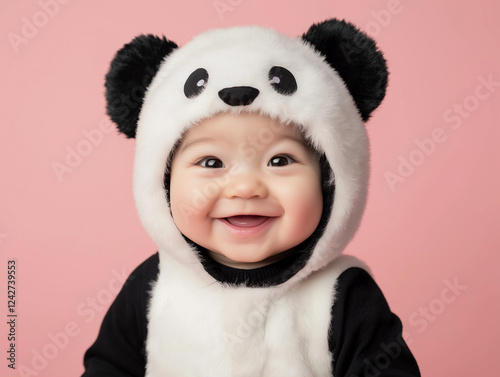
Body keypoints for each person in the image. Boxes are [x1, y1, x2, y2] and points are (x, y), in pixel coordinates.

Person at [82, 19, 420, 376]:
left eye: (280, 160)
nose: (245, 188)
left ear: (329, 180)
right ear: (163, 184)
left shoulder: (345, 296)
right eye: (211, 162)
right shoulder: (152, 285)